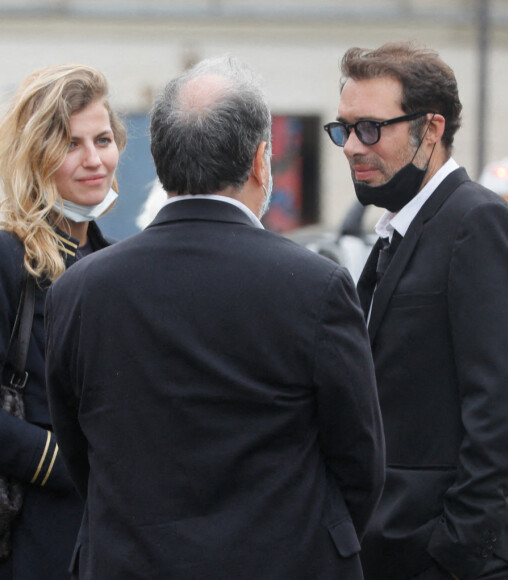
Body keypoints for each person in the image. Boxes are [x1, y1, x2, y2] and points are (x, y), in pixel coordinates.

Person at [44, 55, 385, 580]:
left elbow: (80, 453)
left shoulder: (79, 292)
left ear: (160, 160)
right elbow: (360, 462)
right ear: (259, 162)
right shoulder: (316, 287)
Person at [324, 41, 508, 580]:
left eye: (371, 129)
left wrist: (454, 550)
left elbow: (501, 408)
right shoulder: (394, 234)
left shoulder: (477, 221)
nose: (352, 146)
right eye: (344, 129)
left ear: (431, 129)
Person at [0, 63, 126, 579]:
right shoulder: (9, 254)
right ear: (37, 154)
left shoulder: (115, 260)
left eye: (103, 139)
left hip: (110, 539)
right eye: (72, 144)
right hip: (33, 538)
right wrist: (64, 460)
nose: (94, 160)